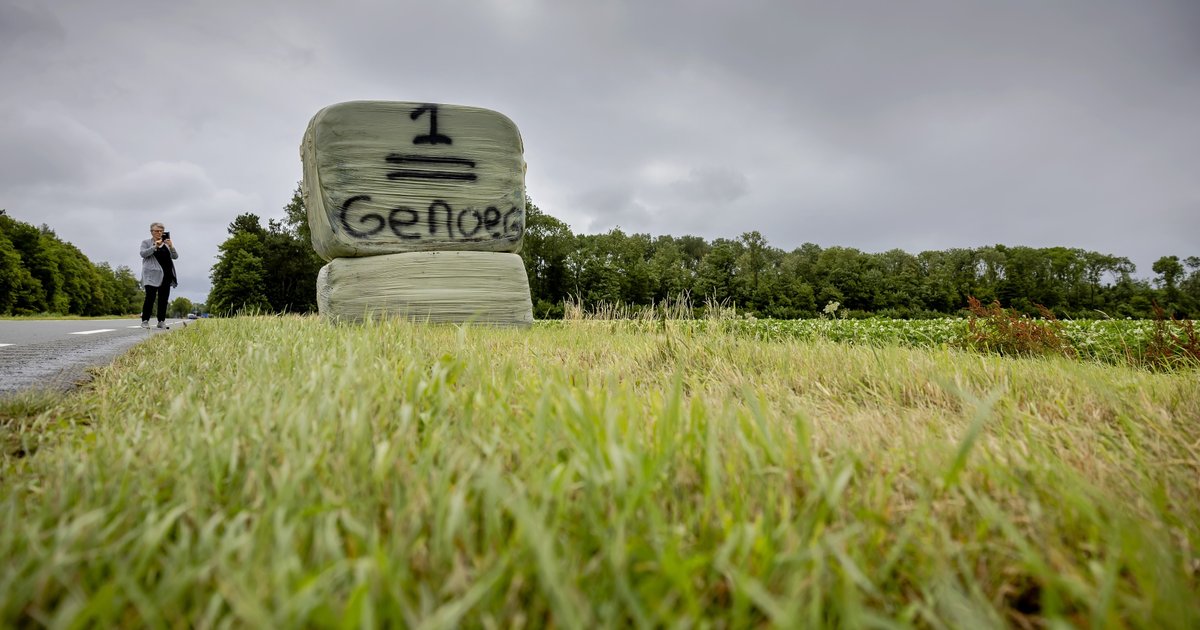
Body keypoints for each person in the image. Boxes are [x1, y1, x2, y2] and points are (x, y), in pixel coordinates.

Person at [140, 222, 178, 329]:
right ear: (151, 232)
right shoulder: (146, 242)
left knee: (163, 299)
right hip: (151, 275)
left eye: (161, 231)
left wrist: (171, 246)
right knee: (150, 297)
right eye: (157, 231)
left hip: (166, 275)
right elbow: (142, 254)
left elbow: (175, 257)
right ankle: (145, 320)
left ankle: (161, 321)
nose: (159, 233)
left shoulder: (166, 244)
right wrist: (154, 247)